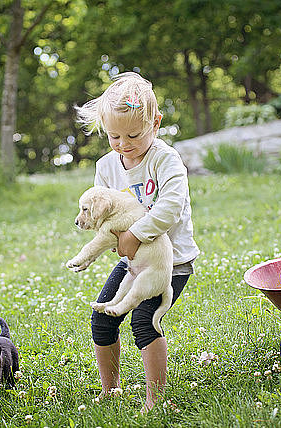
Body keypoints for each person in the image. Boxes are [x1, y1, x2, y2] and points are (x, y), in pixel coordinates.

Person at [74, 72, 199, 412]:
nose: (124, 143)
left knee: (145, 320)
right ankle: (111, 389)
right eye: (114, 135)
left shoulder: (165, 160)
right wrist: (106, 237)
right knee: (103, 318)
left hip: (169, 262)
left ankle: (155, 400)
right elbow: (103, 213)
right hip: (131, 259)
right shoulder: (106, 167)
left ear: (155, 123)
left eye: (133, 134)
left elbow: (170, 208)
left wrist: (134, 235)